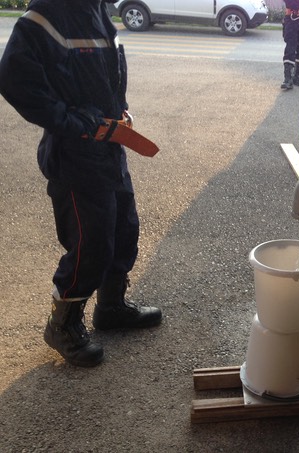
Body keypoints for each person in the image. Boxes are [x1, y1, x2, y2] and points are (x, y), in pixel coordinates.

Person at [0, 0, 162, 367]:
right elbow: (13, 79)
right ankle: (62, 325)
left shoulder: (96, 9)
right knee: (92, 242)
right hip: (75, 155)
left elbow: (102, 75)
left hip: (110, 148)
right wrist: (70, 122)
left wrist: (117, 110)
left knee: (124, 229)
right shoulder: (45, 16)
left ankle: (111, 307)